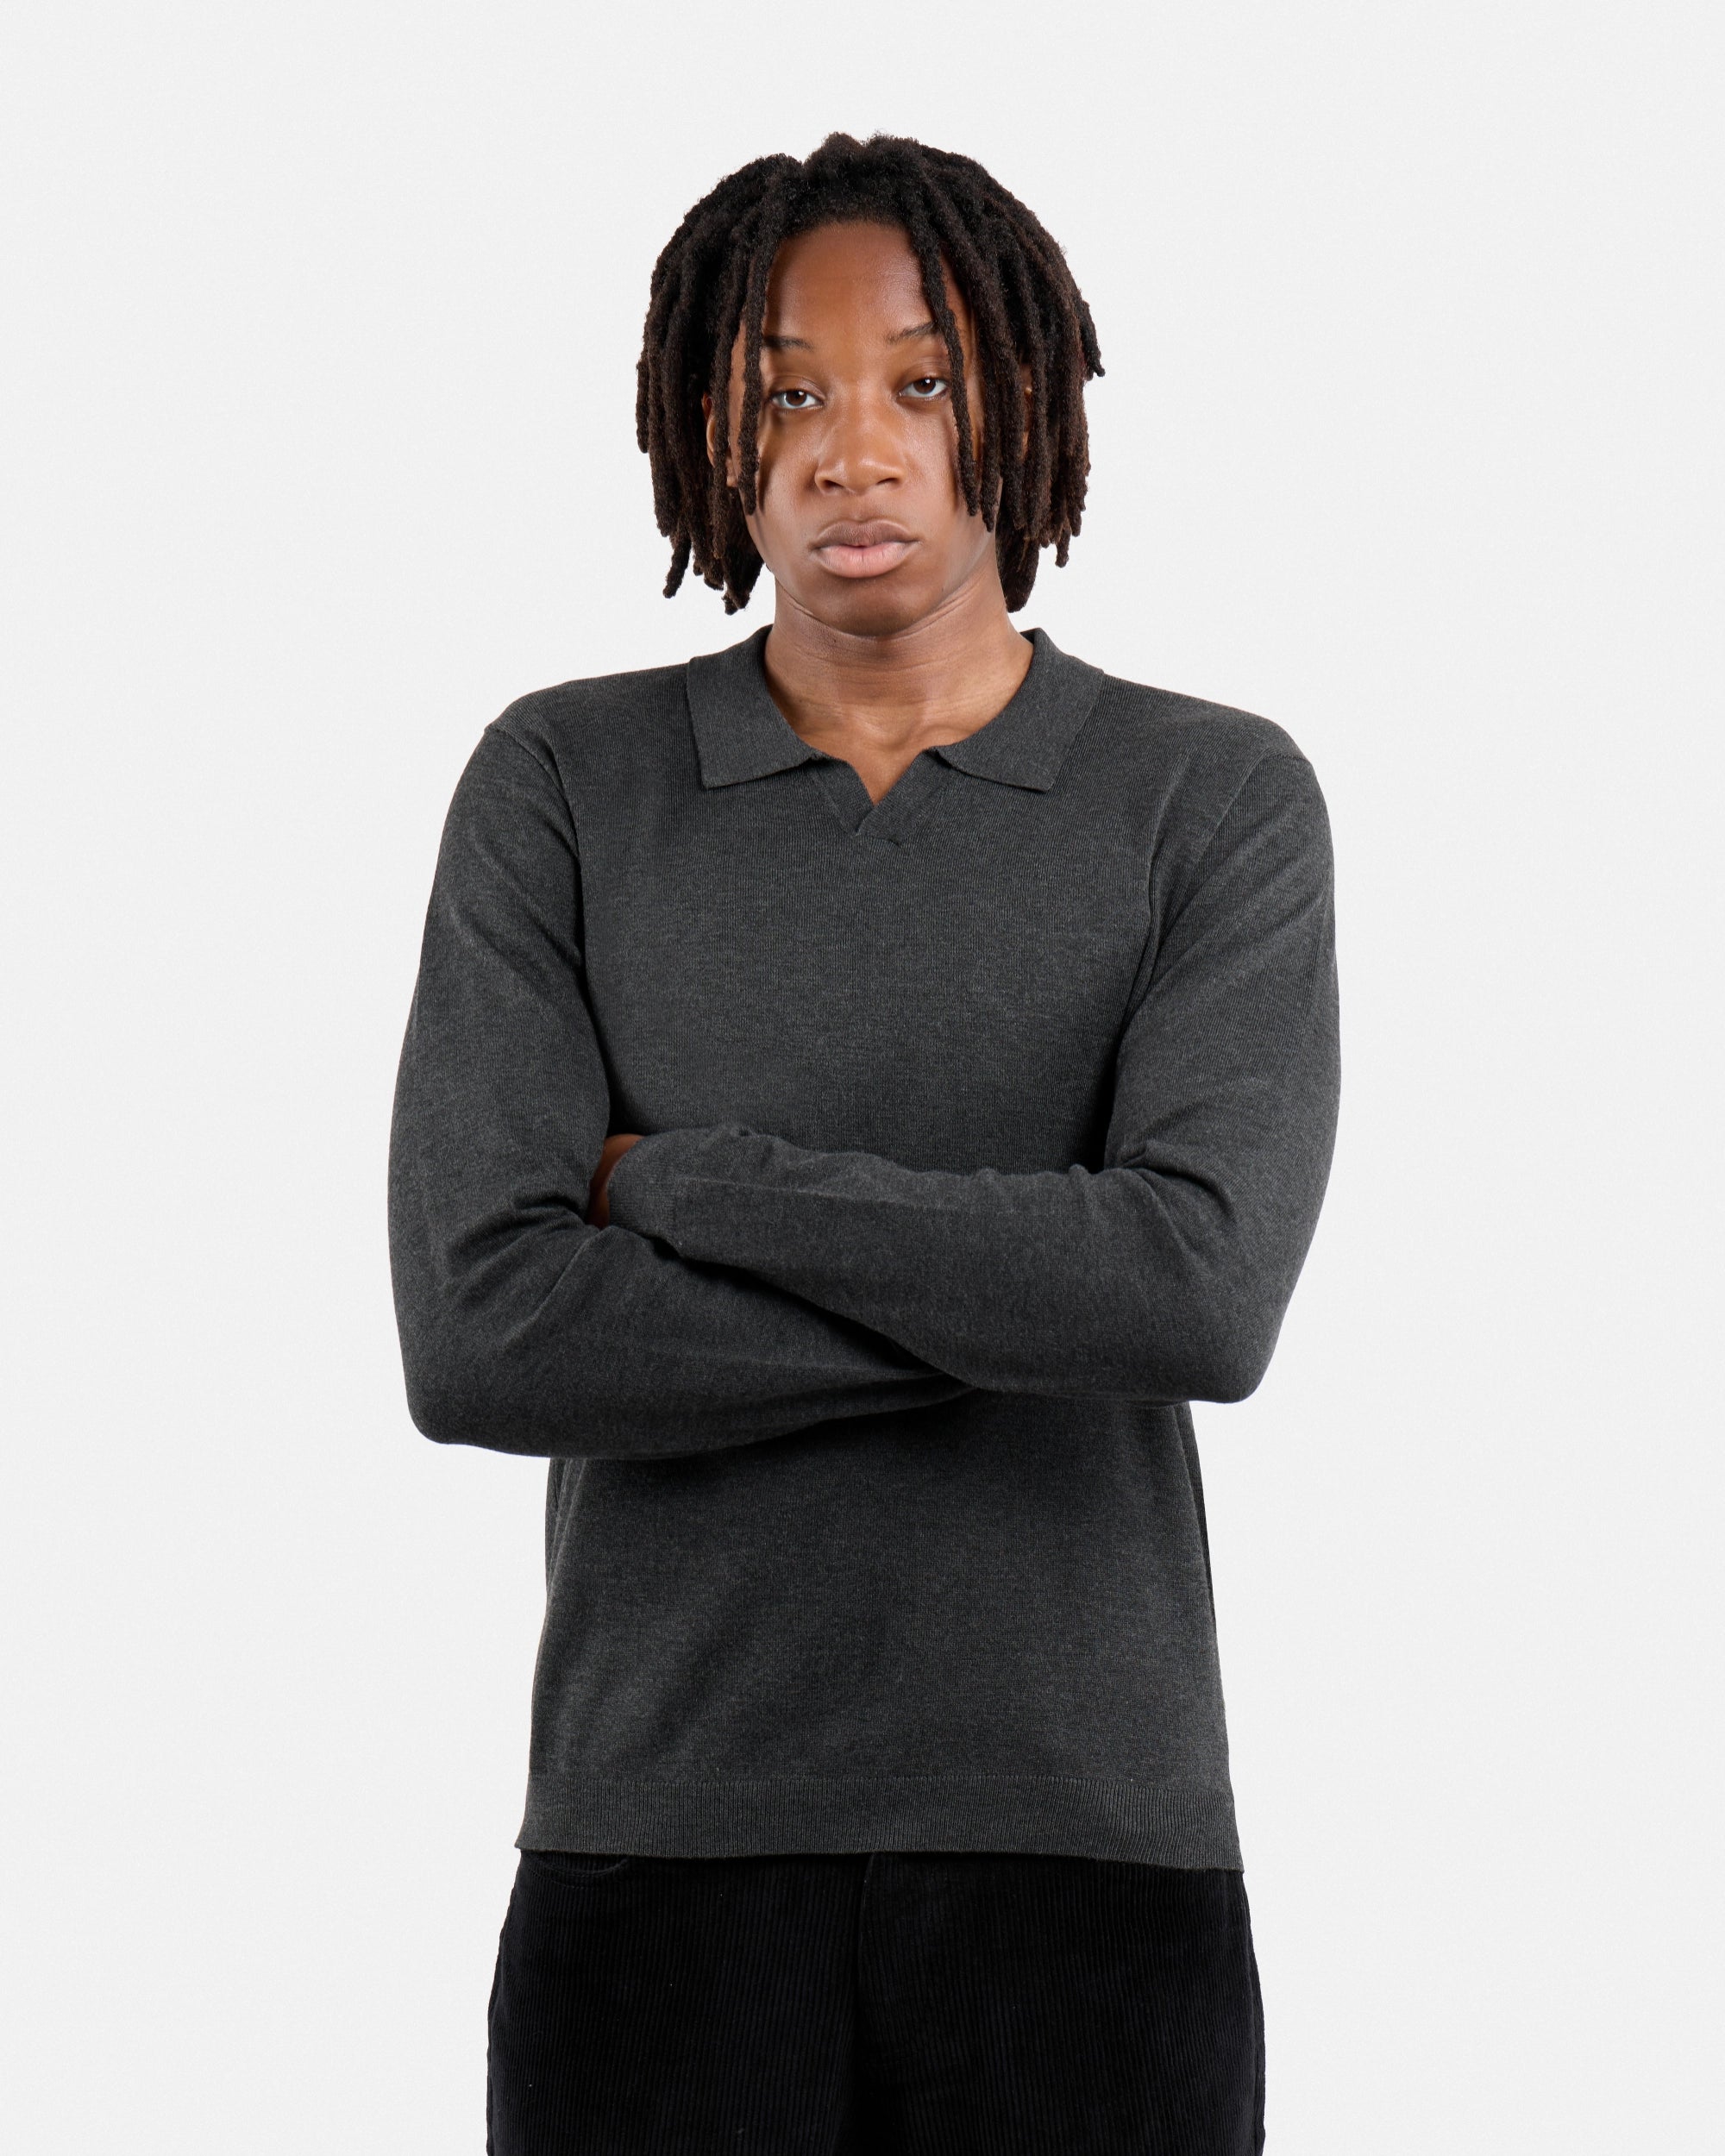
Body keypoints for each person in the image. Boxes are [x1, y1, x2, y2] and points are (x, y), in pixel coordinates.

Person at [388, 129, 1339, 2156]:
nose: (852, 449)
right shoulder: (565, 780)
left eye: (919, 380)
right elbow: (484, 1332)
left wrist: (678, 1183)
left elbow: (1196, 1296)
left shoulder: (1208, 799)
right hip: (658, 1846)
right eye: (787, 390)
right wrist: (1037, 1294)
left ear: (1023, 398)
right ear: (706, 428)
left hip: (1091, 1856)